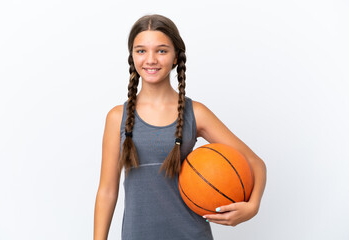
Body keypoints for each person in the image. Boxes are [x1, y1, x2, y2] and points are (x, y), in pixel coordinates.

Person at [94, 14, 267, 240]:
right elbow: (107, 191)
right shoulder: (118, 117)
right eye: (141, 50)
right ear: (132, 57)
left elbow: (255, 163)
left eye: (162, 50)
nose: (151, 59)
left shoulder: (195, 113)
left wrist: (252, 207)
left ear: (176, 56)